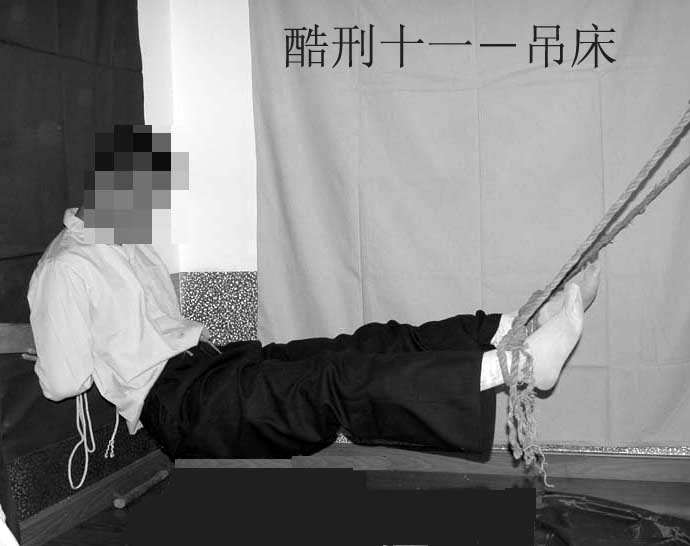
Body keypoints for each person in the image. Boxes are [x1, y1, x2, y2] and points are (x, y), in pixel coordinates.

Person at [24, 126, 600, 462]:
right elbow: (63, 381)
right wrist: (52, 348)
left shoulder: (128, 242)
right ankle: (518, 365)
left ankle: (509, 326)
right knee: (335, 383)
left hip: (214, 366)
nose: (150, 201)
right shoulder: (64, 268)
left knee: (362, 345)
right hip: (181, 408)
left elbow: (160, 328)